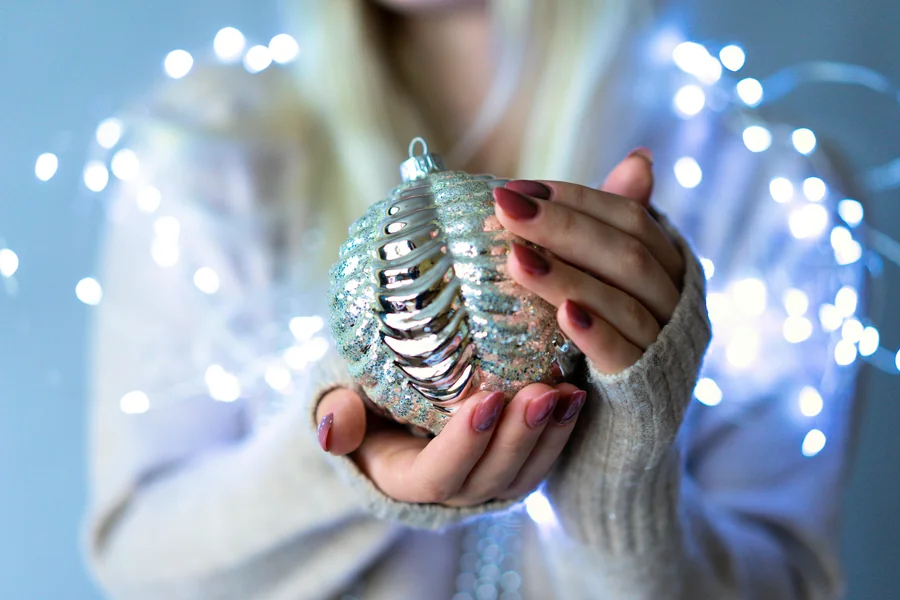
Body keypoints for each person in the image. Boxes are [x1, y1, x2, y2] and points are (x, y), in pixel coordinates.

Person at [83, 1, 863, 598]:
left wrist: (619, 486)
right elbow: (138, 561)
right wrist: (339, 467)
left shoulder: (770, 189)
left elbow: (792, 582)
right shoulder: (209, 156)